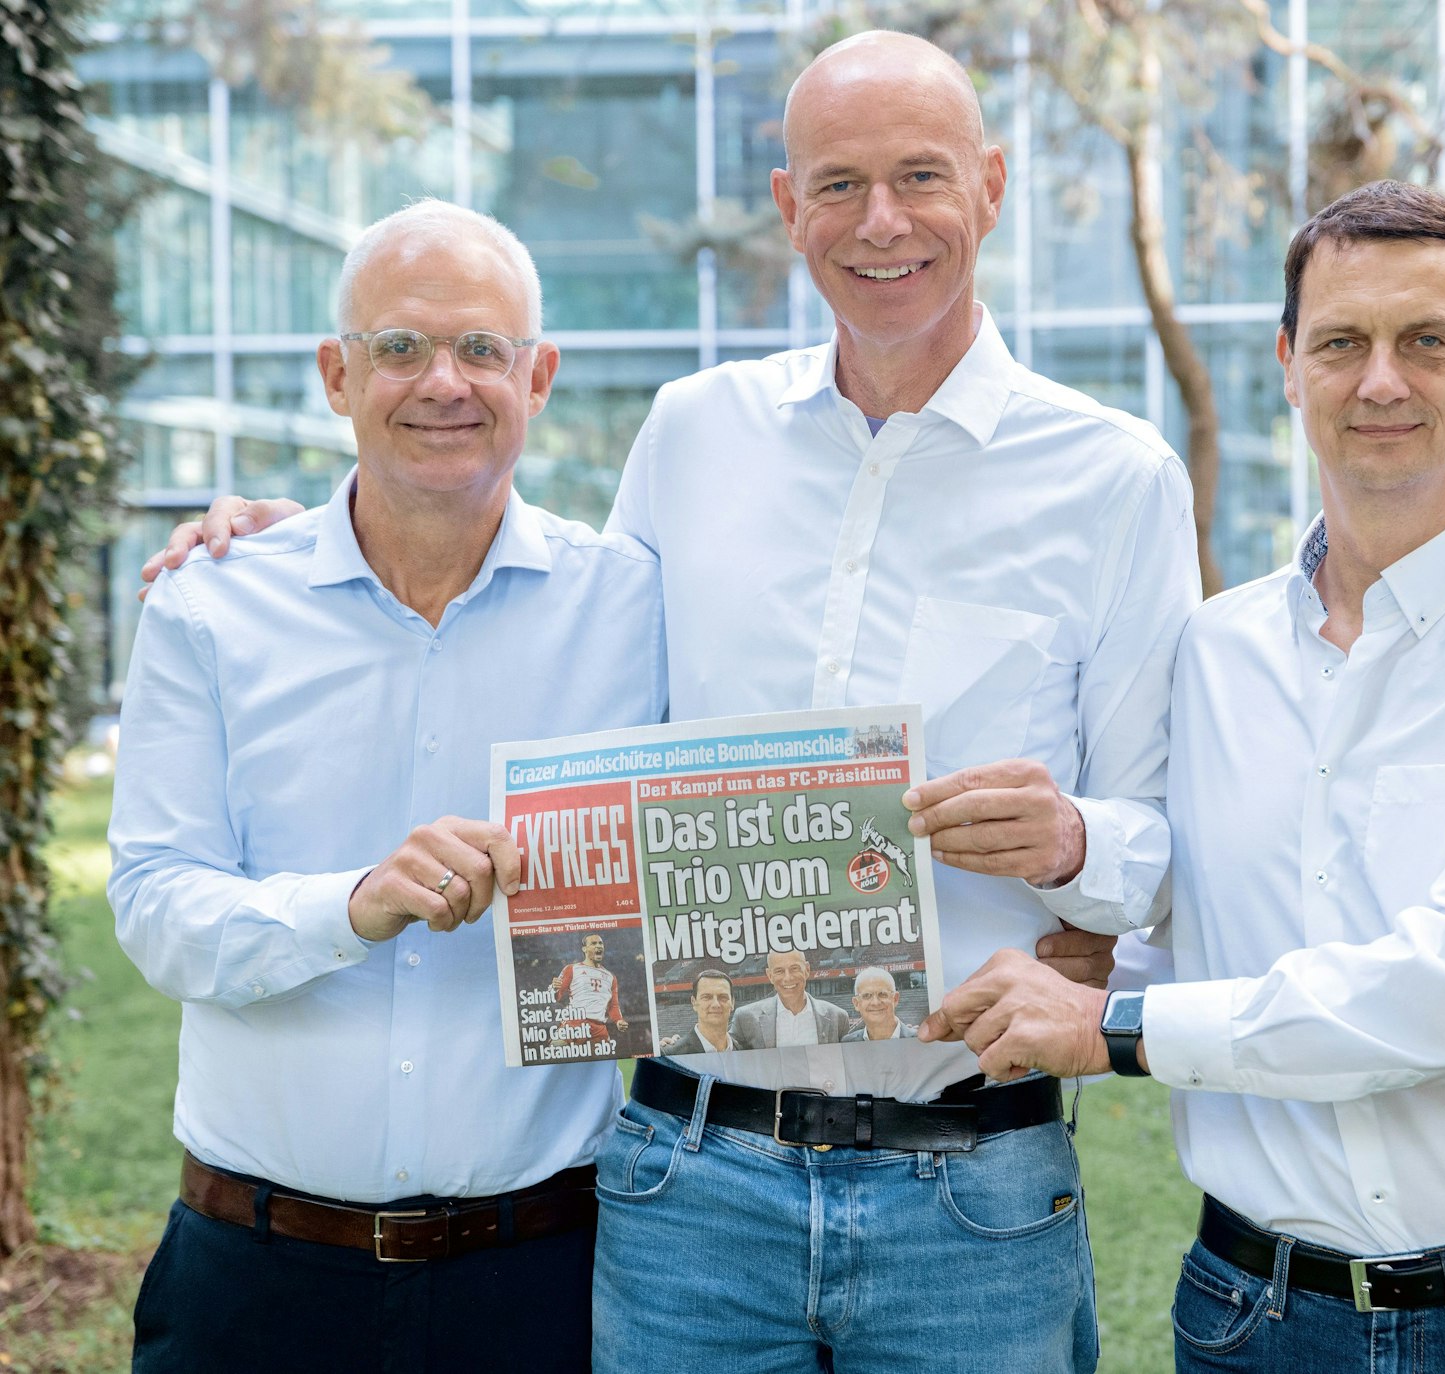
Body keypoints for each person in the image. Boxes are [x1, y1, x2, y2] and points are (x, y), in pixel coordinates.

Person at [141, 31, 1197, 1373]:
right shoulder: (694, 435)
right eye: (838, 184)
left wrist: (1072, 847)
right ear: (786, 207)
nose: (882, 223)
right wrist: (299, 540)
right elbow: (541, 590)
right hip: (689, 1180)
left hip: (967, 1183)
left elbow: (1167, 846)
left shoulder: (1116, 478)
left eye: (921, 177)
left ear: (990, 186)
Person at [923, 180, 1445, 1373]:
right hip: (1251, 1317)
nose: (1379, 381)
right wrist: (1075, 883)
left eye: (1425, 341)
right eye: (1340, 342)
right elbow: (1216, 908)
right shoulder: (1211, 651)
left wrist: (1112, 1025)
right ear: (1288, 363)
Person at [108, 200, 666, 1374]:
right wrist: (351, 903)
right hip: (253, 1279)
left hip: (544, 1277)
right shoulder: (209, 605)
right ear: (336, 373)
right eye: (400, 347)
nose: (443, 383)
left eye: (482, 349)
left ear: (541, 374)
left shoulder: (635, 606)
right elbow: (156, 908)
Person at [729, 948, 851, 1048]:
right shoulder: (745, 1018)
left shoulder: (838, 1017)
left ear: (807, 970)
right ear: (769, 975)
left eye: (794, 968)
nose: (788, 978)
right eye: (779, 971)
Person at [551, 932, 629, 1046]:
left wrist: (619, 1020)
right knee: (554, 1049)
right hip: (575, 1023)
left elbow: (613, 1005)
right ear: (584, 949)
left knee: (603, 1060)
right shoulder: (572, 969)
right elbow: (556, 996)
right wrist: (554, 989)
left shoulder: (611, 977)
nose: (598, 946)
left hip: (598, 1028)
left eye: (600, 943)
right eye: (593, 943)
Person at [660, 969, 739, 1054]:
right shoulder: (669, 1053)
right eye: (707, 997)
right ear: (694, 1002)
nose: (716, 1004)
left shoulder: (745, 1049)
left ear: (732, 1003)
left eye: (723, 997)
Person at [841, 966, 916, 1042]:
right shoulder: (847, 1043)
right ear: (856, 1003)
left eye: (882, 994)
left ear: (895, 999)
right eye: (867, 996)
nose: (875, 1003)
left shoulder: (920, 1040)